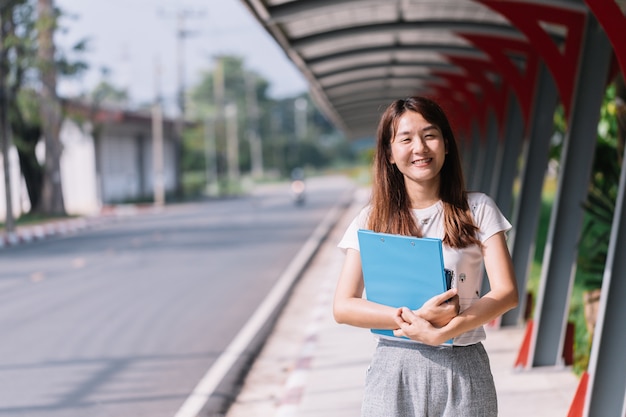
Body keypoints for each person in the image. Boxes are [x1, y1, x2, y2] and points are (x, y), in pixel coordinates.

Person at [333, 96, 519, 416]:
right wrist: (414, 318)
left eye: (429, 135)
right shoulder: (372, 219)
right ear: (390, 154)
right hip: (393, 368)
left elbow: (507, 293)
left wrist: (443, 331)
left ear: (446, 144)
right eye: (405, 139)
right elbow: (343, 305)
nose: (419, 148)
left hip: (463, 364)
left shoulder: (478, 209)